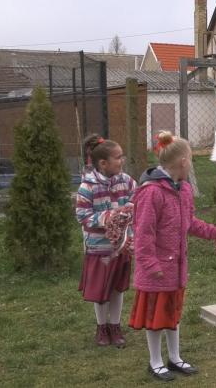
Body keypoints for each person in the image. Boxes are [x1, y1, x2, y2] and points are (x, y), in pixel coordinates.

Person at [129, 131, 216, 381]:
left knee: (173, 313)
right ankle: (155, 361)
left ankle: (174, 357)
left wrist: (213, 231)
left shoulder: (183, 189)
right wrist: (151, 264)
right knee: (155, 316)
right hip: (157, 269)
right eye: (191, 159)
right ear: (183, 161)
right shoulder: (152, 192)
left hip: (176, 268)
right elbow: (143, 232)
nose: (191, 164)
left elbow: (189, 222)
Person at [75, 134, 136, 346]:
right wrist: (109, 218)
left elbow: (136, 205)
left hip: (121, 247)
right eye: (118, 157)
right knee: (101, 289)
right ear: (103, 163)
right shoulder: (87, 186)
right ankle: (101, 328)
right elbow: (82, 216)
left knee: (117, 288)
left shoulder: (127, 182)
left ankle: (115, 326)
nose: (122, 161)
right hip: (97, 248)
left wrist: (128, 219)